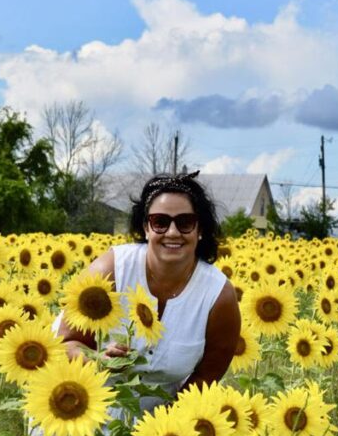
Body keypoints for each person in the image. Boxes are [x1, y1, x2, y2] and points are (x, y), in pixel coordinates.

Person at [56, 170, 241, 411]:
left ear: (200, 229)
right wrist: (96, 360)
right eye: (160, 222)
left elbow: (205, 378)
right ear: (146, 227)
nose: (173, 232)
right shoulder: (111, 270)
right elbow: (65, 342)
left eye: (185, 223)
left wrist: (165, 429)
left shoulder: (218, 297)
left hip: (160, 417)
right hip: (82, 403)